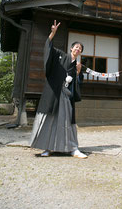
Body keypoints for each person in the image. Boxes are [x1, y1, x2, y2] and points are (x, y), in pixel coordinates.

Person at [30, 20, 87, 158]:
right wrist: (53, 33)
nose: (77, 49)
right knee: (50, 119)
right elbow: (48, 48)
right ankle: (48, 148)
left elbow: (77, 83)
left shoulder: (77, 66)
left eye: (80, 49)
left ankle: (73, 148)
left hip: (66, 96)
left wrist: (78, 73)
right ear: (71, 48)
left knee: (67, 121)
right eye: (76, 47)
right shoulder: (60, 55)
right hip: (54, 93)